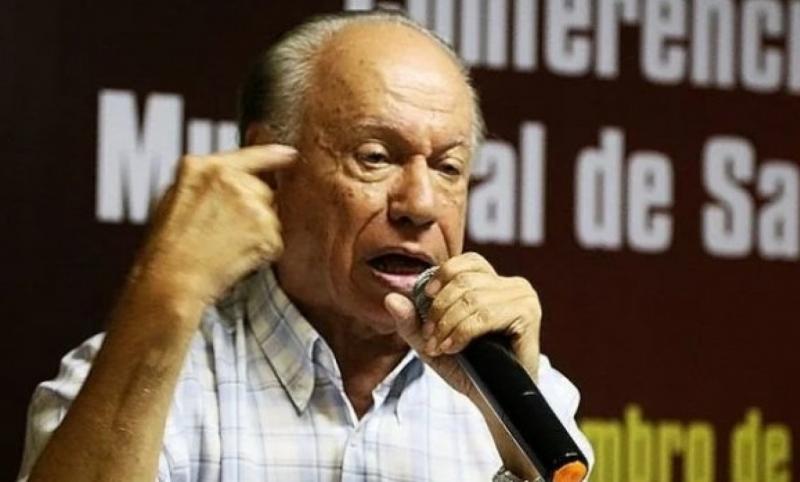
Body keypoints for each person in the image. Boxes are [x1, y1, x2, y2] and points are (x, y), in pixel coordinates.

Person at [18, 10, 593, 482]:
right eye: (375, 157)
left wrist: (518, 435)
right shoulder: (140, 380)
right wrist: (169, 295)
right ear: (272, 169)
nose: (420, 204)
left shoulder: (525, 392)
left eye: (448, 168)